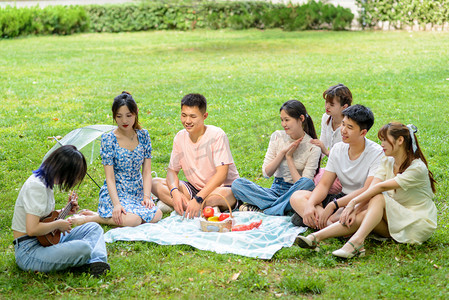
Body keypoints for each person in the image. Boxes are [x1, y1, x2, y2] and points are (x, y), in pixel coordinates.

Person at [295, 123, 437, 258]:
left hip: (416, 223)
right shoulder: (387, 161)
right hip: (394, 219)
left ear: (400, 140)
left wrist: (352, 203)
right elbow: (372, 187)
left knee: (378, 197)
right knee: (363, 213)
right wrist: (355, 209)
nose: (381, 145)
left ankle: (356, 241)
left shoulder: (417, 168)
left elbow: (379, 188)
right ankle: (315, 238)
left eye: (385, 140)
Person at [11, 145, 110, 276]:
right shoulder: (36, 187)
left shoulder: (46, 182)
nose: (74, 181)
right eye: (75, 176)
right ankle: (86, 260)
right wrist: (58, 224)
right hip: (29, 251)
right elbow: (32, 229)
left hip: (46, 240)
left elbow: (42, 216)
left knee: (93, 228)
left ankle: (96, 263)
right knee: (83, 248)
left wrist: (65, 210)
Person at [72, 91, 162, 227]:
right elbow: (110, 178)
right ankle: (94, 218)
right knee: (134, 220)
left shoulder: (143, 136)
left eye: (128, 115)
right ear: (114, 115)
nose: (124, 121)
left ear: (136, 113)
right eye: (119, 116)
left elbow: (146, 171)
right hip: (116, 192)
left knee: (157, 215)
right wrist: (117, 205)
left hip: (137, 191)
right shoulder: (109, 140)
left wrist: (146, 196)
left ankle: (104, 216)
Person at [290, 104, 383, 229]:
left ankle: (320, 223)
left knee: (365, 211)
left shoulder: (376, 153)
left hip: (360, 202)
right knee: (297, 196)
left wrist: (333, 205)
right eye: (343, 124)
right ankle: (329, 225)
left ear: (363, 132)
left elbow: (367, 190)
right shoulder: (337, 149)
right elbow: (324, 184)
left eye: (349, 127)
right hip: (341, 197)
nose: (343, 130)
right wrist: (310, 205)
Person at [152, 93, 239, 219]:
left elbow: (222, 175)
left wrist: (198, 199)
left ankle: (184, 206)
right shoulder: (179, 137)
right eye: (184, 115)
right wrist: (175, 192)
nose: (187, 121)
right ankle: (194, 208)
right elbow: (172, 172)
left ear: (204, 116)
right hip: (194, 190)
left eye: (193, 116)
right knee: (154, 183)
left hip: (221, 189)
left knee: (225, 194)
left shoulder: (217, 135)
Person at [231, 100, 321, 216]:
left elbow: (303, 185)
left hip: (294, 192)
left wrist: (289, 158)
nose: (284, 124)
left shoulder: (313, 147)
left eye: (287, 120)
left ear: (301, 119)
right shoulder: (277, 136)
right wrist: (282, 153)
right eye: (282, 120)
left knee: (308, 183)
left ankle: (267, 209)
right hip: (274, 190)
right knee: (238, 184)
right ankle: (282, 207)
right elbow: (266, 173)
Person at [311, 84, 353, 194]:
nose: (327, 107)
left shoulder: (349, 127)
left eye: (331, 104)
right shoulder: (326, 118)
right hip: (332, 169)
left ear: (344, 106)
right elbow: (323, 142)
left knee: (313, 184)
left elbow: (346, 160)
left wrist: (325, 150)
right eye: (326, 103)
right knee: (306, 178)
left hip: (345, 174)